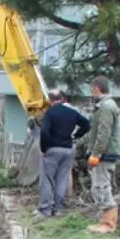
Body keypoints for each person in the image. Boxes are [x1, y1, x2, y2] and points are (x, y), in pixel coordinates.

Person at [37, 89, 90, 218]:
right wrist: (75, 136)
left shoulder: (49, 113)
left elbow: (44, 132)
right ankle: (58, 209)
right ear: (63, 99)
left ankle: (45, 210)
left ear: (50, 100)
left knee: (48, 180)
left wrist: (44, 149)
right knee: (61, 179)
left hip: (52, 149)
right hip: (68, 149)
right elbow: (87, 124)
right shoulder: (72, 112)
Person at [84, 76, 120, 233]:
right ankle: (105, 222)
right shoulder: (105, 105)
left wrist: (96, 154)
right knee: (99, 186)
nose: (90, 93)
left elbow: (104, 132)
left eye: (91, 90)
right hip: (105, 152)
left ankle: (108, 225)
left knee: (101, 186)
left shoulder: (106, 107)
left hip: (105, 153)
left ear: (96, 88)